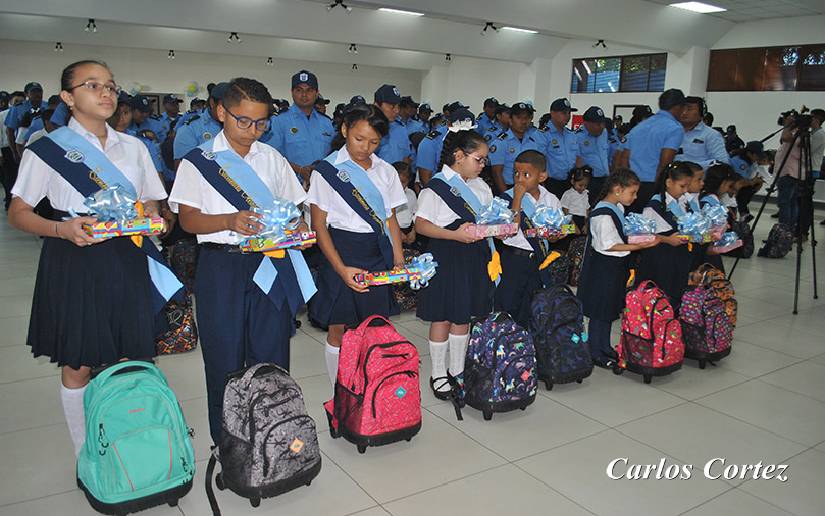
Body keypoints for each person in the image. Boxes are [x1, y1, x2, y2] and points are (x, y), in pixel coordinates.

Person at [8, 60, 181, 456]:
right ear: (68, 97)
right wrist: (61, 229)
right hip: (75, 256)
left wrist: (156, 219)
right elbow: (18, 212)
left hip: (128, 257)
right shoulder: (47, 149)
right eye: (92, 85)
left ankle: (129, 438)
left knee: (131, 356)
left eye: (110, 85)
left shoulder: (134, 147)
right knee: (79, 360)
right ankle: (86, 449)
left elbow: (154, 203)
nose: (106, 93)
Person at [169, 77, 314, 443]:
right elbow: (187, 220)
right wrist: (229, 221)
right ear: (221, 112)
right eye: (243, 121)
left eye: (261, 123)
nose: (252, 131)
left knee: (271, 353)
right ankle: (229, 443)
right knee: (224, 357)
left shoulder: (273, 159)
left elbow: (294, 212)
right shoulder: (200, 162)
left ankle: (274, 436)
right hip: (222, 266)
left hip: (269, 265)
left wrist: (298, 231)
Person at [306, 104, 406, 390]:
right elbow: (319, 226)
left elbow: (390, 218)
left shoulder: (385, 171)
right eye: (359, 139)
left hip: (376, 251)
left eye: (373, 142)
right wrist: (339, 269)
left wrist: (398, 258)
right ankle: (340, 390)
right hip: (339, 250)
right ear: (345, 130)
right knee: (339, 327)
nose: (365, 147)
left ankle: (369, 388)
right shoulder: (327, 171)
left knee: (374, 326)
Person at [414, 126, 494, 398]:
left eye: (485, 160)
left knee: (464, 314)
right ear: (459, 156)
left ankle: (457, 370)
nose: (483, 165)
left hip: (474, 255)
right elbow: (422, 226)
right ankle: (438, 375)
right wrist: (454, 235)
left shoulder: (481, 187)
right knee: (444, 315)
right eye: (478, 159)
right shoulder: (435, 187)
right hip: (447, 254)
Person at [577, 169, 660, 368]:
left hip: (615, 268)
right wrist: (639, 246)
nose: (635, 197)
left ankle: (604, 346)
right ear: (617, 189)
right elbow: (608, 245)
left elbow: (619, 236)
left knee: (610, 309)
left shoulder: (617, 208)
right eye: (632, 192)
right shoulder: (602, 214)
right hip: (603, 269)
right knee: (600, 311)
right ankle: (595, 351)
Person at [495, 150, 565, 327]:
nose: (519, 179)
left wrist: (556, 234)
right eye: (516, 173)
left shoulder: (551, 199)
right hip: (514, 260)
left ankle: (528, 348)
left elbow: (563, 229)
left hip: (539, 260)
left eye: (526, 174)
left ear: (542, 176)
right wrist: (517, 198)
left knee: (533, 307)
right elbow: (511, 230)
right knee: (509, 306)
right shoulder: (506, 198)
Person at [637, 162, 693, 310]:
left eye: (687, 186)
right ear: (669, 182)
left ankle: (670, 328)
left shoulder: (684, 202)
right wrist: (668, 239)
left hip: (679, 257)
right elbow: (642, 236)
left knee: (676, 294)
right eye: (682, 186)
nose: (686, 190)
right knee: (659, 297)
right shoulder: (655, 205)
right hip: (659, 259)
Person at [264, 70, 335, 186]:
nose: (304, 95)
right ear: (292, 92)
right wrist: (299, 170)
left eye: (309, 90)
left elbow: (333, 156)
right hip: (291, 187)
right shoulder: (279, 121)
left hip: (322, 187)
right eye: (299, 90)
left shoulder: (326, 123)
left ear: (317, 93)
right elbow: (271, 156)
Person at [624, 89, 687, 213]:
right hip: (653, 184)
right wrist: (658, 191)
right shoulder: (674, 128)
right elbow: (665, 163)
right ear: (678, 107)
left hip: (631, 184)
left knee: (632, 224)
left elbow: (623, 159)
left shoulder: (639, 127)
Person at [489, 102, 545, 194]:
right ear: (510, 120)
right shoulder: (501, 143)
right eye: (519, 118)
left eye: (526, 118)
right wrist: (507, 196)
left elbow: (538, 169)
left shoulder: (533, 143)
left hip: (530, 189)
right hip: (508, 188)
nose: (523, 122)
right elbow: (497, 173)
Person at [173, 82, 227, 166]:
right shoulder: (190, 129)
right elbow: (183, 170)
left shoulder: (241, 127)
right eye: (226, 105)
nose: (231, 110)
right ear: (212, 103)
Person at [416, 108, 474, 186]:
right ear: (449, 124)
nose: (465, 133)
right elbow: (425, 178)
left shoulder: (471, 140)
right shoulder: (431, 142)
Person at [700, 163, 739, 270]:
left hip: (710, 246)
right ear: (722, 183)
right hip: (706, 249)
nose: (728, 189)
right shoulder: (708, 203)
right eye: (728, 185)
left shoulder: (709, 199)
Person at [676, 97, 729, 170]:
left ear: (702, 113)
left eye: (689, 109)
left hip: (700, 178)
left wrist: (693, 167)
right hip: (673, 178)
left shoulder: (711, 135)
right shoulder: (671, 133)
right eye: (682, 108)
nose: (684, 112)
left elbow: (722, 162)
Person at [542, 98, 578, 197]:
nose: (567, 116)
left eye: (569, 113)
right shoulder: (543, 135)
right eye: (564, 113)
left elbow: (577, 158)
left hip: (571, 183)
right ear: (552, 113)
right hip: (551, 184)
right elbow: (539, 161)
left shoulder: (571, 135)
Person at [575, 106, 610, 206]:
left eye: (603, 123)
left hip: (605, 180)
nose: (602, 127)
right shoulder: (578, 137)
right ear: (586, 123)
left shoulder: (604, 133)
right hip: (589, 182)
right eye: (598, 124)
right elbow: (577, 161)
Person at [4, 82, 47, 161]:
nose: (37, 94)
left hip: (46, 147)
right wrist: (14, 152)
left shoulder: (47, 107)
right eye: (33, 92)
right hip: (23, 147)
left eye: (39, 91)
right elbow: (10, 131)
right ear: (26, 94)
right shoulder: (18, 108)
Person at [374, 84, 413, 165]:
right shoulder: (368, 129)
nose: (396, 111)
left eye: (398, 106)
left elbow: (406, 157)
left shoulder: (400, 129)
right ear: (377, 105)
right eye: (392, 106)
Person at [730, 141, 768, 221]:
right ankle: (742, 213)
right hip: (731, 187)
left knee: (752, 187)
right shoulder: (740, 162)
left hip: (741, 185)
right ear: (749, 153)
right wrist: (753, 181)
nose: (758, 158)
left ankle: (743, 212)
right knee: (745, 191)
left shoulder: (751, 161)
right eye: (756, 155)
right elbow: (740, 182)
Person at [393, 161, 418, 248]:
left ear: (409, 180)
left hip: (408, 231)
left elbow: (415, 214)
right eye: (397, 182)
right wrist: (398, 232)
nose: (399, 186)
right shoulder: (386, 195)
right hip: (392, 230)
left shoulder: (411, 194)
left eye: (403, 182)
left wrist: (413, 231)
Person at [561, 165, 592, 232]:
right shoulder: (568, 194)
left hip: (582, 220)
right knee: (567, 237)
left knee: (581, 239)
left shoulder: (586, 194)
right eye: (580, 185)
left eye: (585, 186)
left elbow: (587, 210)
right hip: (570, 219)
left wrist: (586, 225)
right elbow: (565, 210)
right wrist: (573, 225)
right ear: (572, 182)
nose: (583, 188)